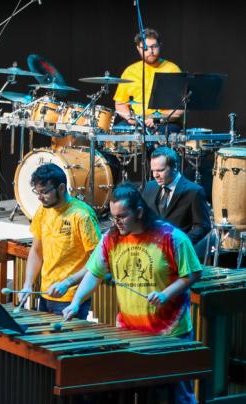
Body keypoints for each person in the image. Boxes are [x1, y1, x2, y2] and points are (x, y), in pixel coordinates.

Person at [63, 182, 201, 403]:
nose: (116, 222)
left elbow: (192, 273)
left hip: (169, 335)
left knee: (176, 398)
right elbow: (95, 273)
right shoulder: (111, 239)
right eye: (113, 216)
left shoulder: (171, 237)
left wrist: (166, 294)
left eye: (122, 217)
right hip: (129, 335)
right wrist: (77, 301)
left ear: (138, 212)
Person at [19, 164, 101, 319]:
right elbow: (36, 251)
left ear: (62, 188)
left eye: (44, 192)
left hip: (71, 297)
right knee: (42, 342)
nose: (40, 197)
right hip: (45, 293)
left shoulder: (81, 215)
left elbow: (96, 261)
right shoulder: (43, 210)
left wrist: (68, 283)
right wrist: (28, 284)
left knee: (68, 341)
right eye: (37, 192)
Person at [141, 147, 211, 251]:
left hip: (177, 253)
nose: (155, 175)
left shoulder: (194, 191)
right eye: (153, 170)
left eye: (160, 170)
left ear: (175, 167)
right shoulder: (150, 186)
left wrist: (180, 244)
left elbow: (203, 226)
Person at [113, 28, 182, 130]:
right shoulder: (130, 71)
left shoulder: (173, 69)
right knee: (114, 135)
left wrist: (159, 118)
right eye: (146, 48)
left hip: (165, 123)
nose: (151, 51)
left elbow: (181, 107)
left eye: (154, 46)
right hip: (137, 122)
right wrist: (130, 118)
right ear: (138, 48)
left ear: (160, 45)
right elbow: (120, 103)